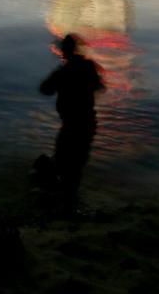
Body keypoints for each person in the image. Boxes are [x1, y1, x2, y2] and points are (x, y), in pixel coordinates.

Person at [39, 33, 105, 211]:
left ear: (64, 52)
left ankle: (68, 203)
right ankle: (71, 200)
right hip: (88, 123)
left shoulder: (63, 72)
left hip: (72, 125)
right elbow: (99, 86)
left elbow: (45, 89)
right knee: (76, 164)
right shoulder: (88, 67)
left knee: (63, 161)